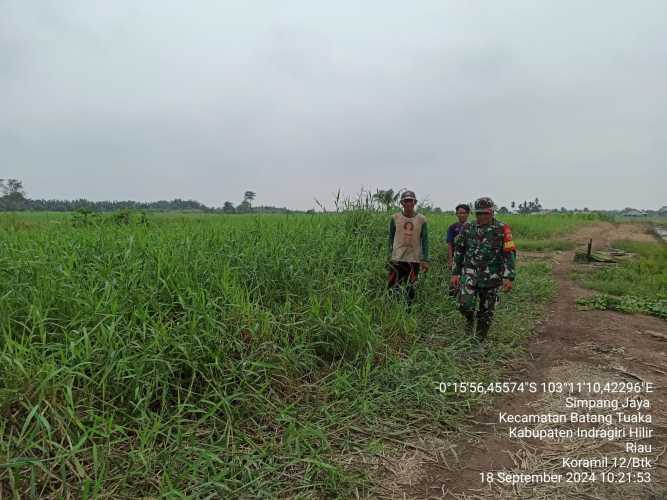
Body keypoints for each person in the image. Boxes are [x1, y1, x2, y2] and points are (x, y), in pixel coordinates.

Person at [449, 197, 516, 340]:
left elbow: (509, 254)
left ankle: (479, 340)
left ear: (492, 212)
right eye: (479, 213)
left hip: (491, 277)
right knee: (463, 305)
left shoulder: (502, 229)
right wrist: (455, 273)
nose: (482, 216)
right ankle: (469, 320)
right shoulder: (468, 228)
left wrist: (508, 277)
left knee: (486, 312)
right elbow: (459, 251)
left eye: (486, 213)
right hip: (470, 274)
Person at [387, 190, 430, 305]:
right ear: (402, 203)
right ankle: (392, 309)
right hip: (397, 258)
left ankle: (407, 310)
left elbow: (425, 240)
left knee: (410, 287)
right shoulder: (395, 218)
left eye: (411, 201)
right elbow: (390, 238)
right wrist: (389, 254)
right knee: (392, 285)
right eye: (406, 201)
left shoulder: (421, 220)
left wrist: (425, 259)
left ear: (415, 202)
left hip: (413, 258)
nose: (408, 204)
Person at [445, 204, 470, 297]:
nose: (462, 215)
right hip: (456, 258)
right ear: (456, 214)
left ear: (468, 214)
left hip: (469, 259)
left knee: (467, 281)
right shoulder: (453, 227)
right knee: (453, 281)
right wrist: (450, 259)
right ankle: (451, 300)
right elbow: (449, 244)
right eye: (459, 213)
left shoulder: (472, 227)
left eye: (464, 213)